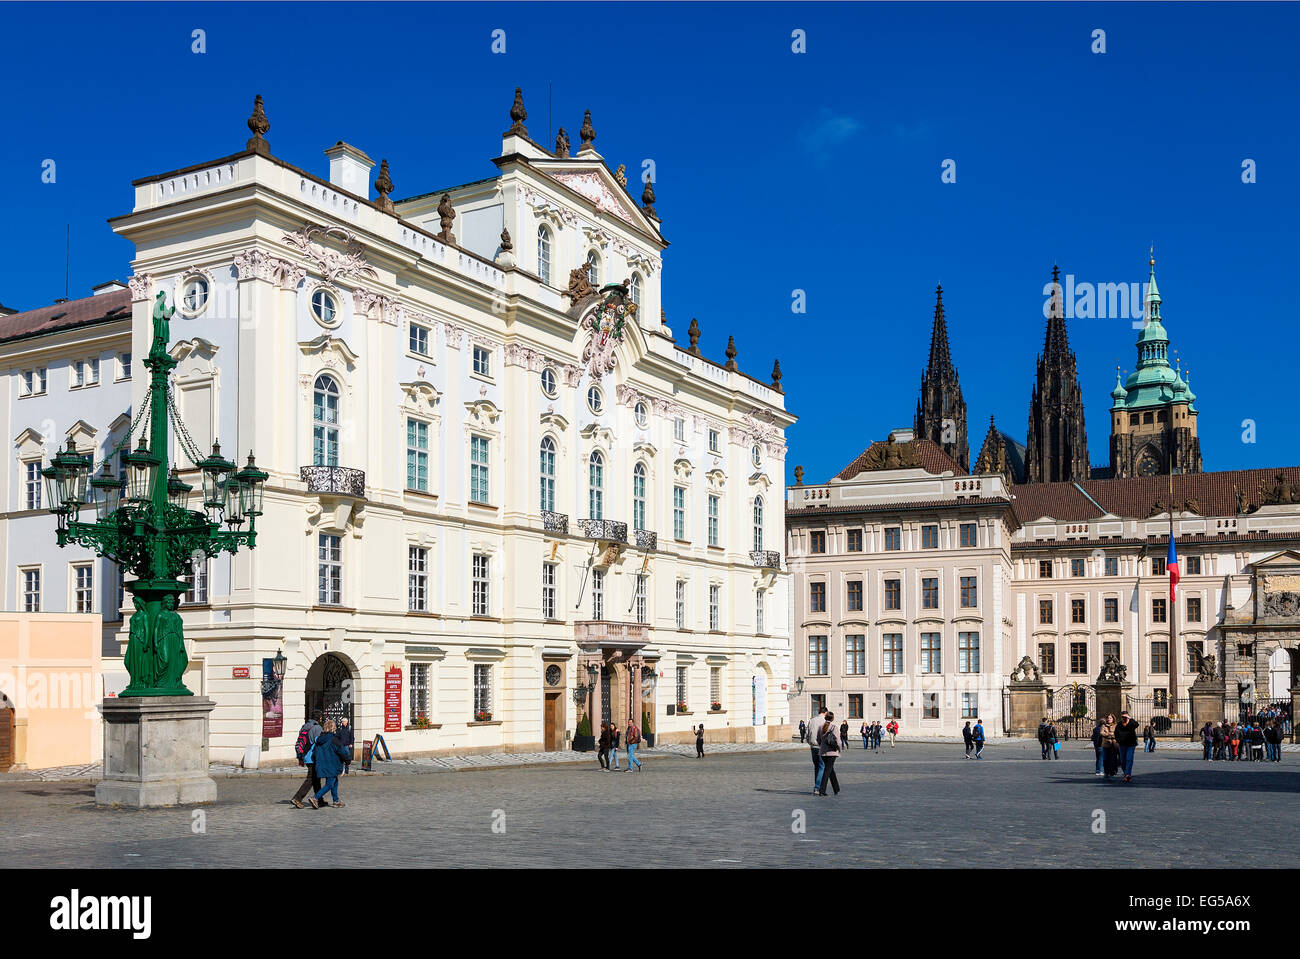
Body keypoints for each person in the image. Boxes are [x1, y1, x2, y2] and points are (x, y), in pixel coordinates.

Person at [308, 719, 352, 809]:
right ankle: (315, 798)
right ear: (333, 728)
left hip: (323, 764)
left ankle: (336, 800)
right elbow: (342, 751)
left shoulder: (319, 739)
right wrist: (347, 761)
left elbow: (316, 753)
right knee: (330, 784)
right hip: (333, 764)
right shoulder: (334, 739)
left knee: (334, 781)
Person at [290, 710, 324, 808]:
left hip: (306, 755)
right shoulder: (317, 728)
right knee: (310, 779)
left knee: (316, 779)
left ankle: (319, 800)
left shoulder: (305, 726)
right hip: (313, 756)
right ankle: (297, 798)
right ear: (319, 718)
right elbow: (319, 743)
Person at [817, 711, 841, 796]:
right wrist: (839, 749)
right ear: (832, 718)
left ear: (825, 718)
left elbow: (818, 739)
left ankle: (836, 788)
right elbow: (838, 741)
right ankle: (822, 790)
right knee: (827, 771)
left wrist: (822, 746)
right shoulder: (834, 727)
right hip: (832, 752)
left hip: (823, 752)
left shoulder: (820, 727)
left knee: (830, 770)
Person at [1115, 711, 1139, 782]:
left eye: (1125, 717)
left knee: (1129, 759)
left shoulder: (1131, 723)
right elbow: (1116, 733)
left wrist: (1130, 719)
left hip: (1131, 744)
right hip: (1122, 745)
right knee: (1123, 761)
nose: (1124, 718)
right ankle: (1126, 773)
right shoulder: (1119, 724)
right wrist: (1118, 740)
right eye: (1123, 717)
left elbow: (1137, 724)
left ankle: (1127, 774)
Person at [808, 707, 827, 793]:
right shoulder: (824, 722)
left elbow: (807, 732)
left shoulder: (812, 720)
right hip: (821, 747)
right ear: (825, 713)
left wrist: (810, 742)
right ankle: (817, 787)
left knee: (816, 766)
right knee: (822, 766)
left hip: (813, 746)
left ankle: (817, 785)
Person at [1100, 714, 1119, 779]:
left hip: (1113, 744)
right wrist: (1110, 734)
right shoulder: (1103, 726)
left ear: (1113, 719)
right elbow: (1101, 733)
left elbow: (1117, 734)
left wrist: (1111, 735)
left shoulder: (1116, 726)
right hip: (1105, 744)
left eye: (1110, 718)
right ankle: (1106, 772)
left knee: (1113, 758)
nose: (1109, 719)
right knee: (1105, 759)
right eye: (1108, 718)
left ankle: (1112, 771)